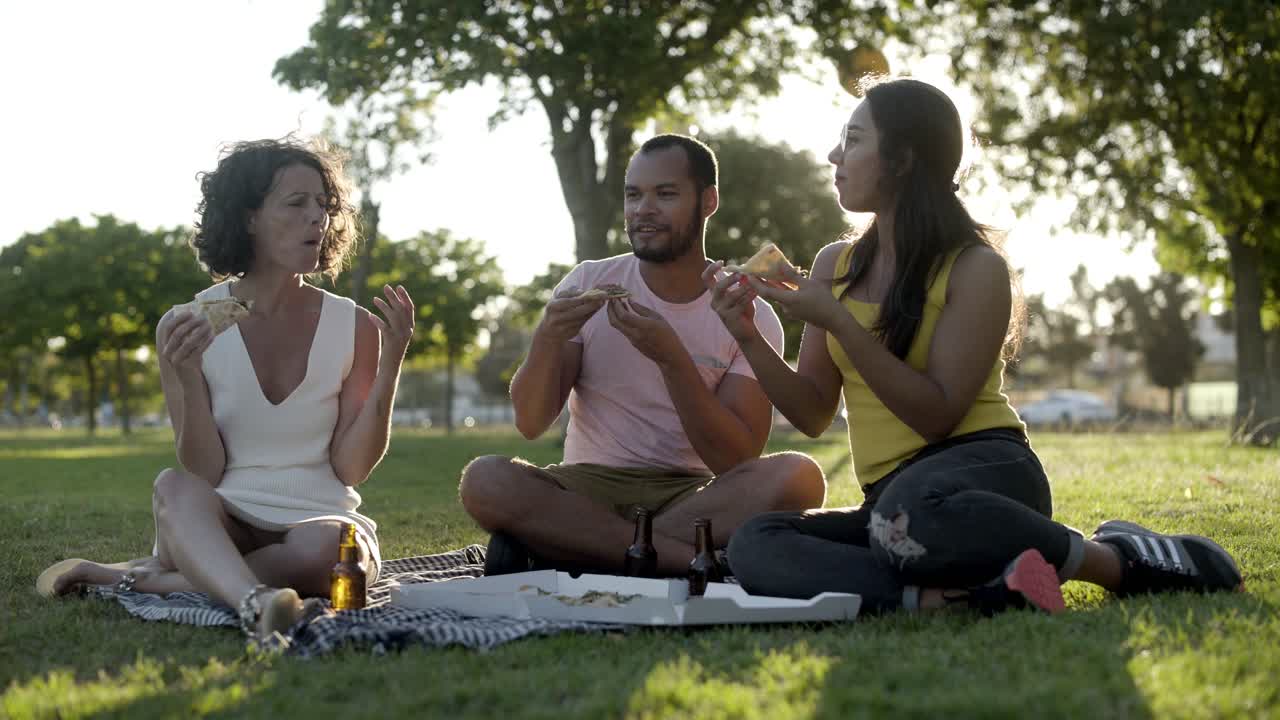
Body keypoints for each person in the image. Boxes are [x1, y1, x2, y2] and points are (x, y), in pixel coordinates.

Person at [706, 78, 1244, 614]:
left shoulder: (974, 267)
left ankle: (1112, 560)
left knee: (908, 518)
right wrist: (747, 336)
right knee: (755, 543)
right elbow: (813, 412)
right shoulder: (834, 266)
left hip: (983, 473)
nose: (833, 155)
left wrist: (842, 323)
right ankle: (955, 597)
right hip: (890, 506)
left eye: (853, 140)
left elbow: (937, 417)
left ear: (902, 158)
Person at [36, 137, 416, 641]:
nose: (317, 219)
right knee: (173, 486)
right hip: (222, 518)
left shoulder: (357, 327)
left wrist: (391, 363)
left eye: (323, 206)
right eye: (296, 203)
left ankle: (148, 580)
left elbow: (352, 468)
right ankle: (255, 603)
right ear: (249, 217)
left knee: (332, 552)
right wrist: (189, 376)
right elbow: (205, 469)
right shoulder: (187, 325)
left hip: (319, 519)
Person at [459, 134, 826, 576]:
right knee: (486, 479)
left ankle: (572, 548)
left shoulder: (746, 312)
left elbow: (734, 461)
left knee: (799, 478)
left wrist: (672, 359)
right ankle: (688, 561)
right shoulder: (589, 282)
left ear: (708, 201)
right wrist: (546, 340)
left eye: (665, 194)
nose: (643, 209)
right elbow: (531, 422)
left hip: (690, 494)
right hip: (586, 486)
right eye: (633, 195)